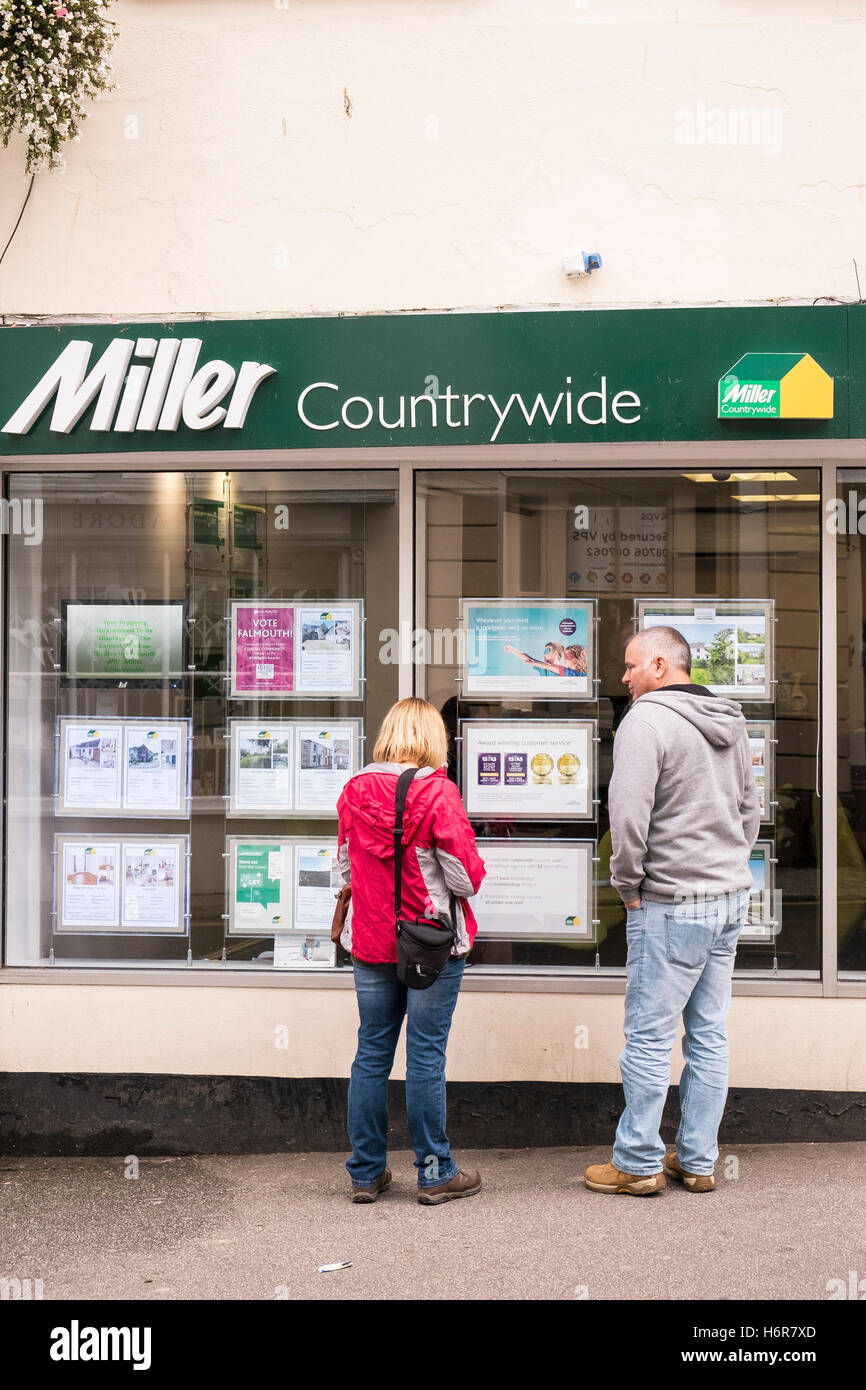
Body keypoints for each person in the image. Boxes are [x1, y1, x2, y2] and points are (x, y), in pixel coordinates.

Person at [584, 625, 760, 1197]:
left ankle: (637, 1163)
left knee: (649, 1037)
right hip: (728, 897)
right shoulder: (730, 720)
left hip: (669, 901)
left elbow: (627, 818)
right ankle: (699, 1160)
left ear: (660, 664)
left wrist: (627, 884)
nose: (624, 677)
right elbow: (749, 811)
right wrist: (730, 865)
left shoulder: (646, 721)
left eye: (631, 666)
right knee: (708, 1033)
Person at [337, 697, 486, 1205]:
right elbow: (466, 879)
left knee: (371, 1053)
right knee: (425, 1056)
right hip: (430, 945)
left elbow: (342, 869)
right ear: (433, 739)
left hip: (370, 942)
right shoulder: (438, 794)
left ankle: (365, 1173)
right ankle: (434, 1171)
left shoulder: (354, 790)